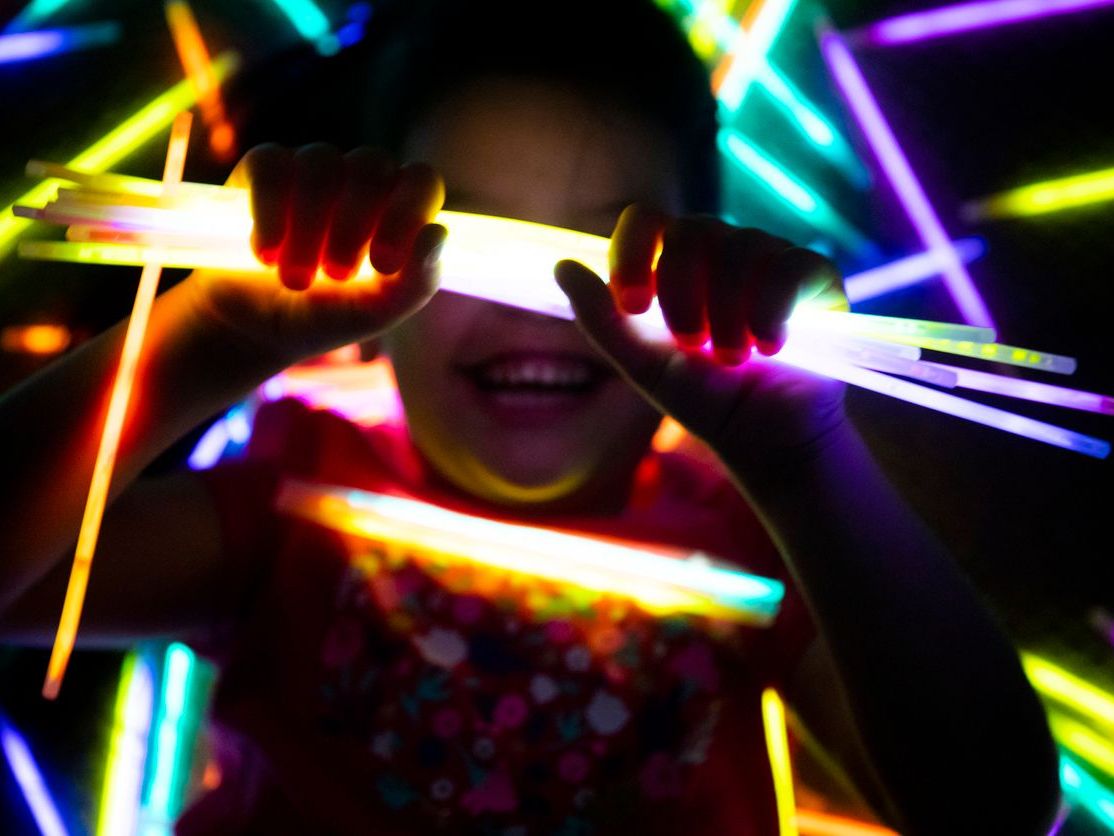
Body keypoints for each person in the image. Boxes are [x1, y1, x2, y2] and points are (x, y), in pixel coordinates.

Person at [0, 0, 1061, 833]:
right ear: (369, 302)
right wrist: (215, 331)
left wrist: (801, 456)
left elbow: (992, 810)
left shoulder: (750, 554)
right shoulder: (293, 508)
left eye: (602, 250)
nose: (538, 301)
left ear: (705, 273)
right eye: (477, 244)